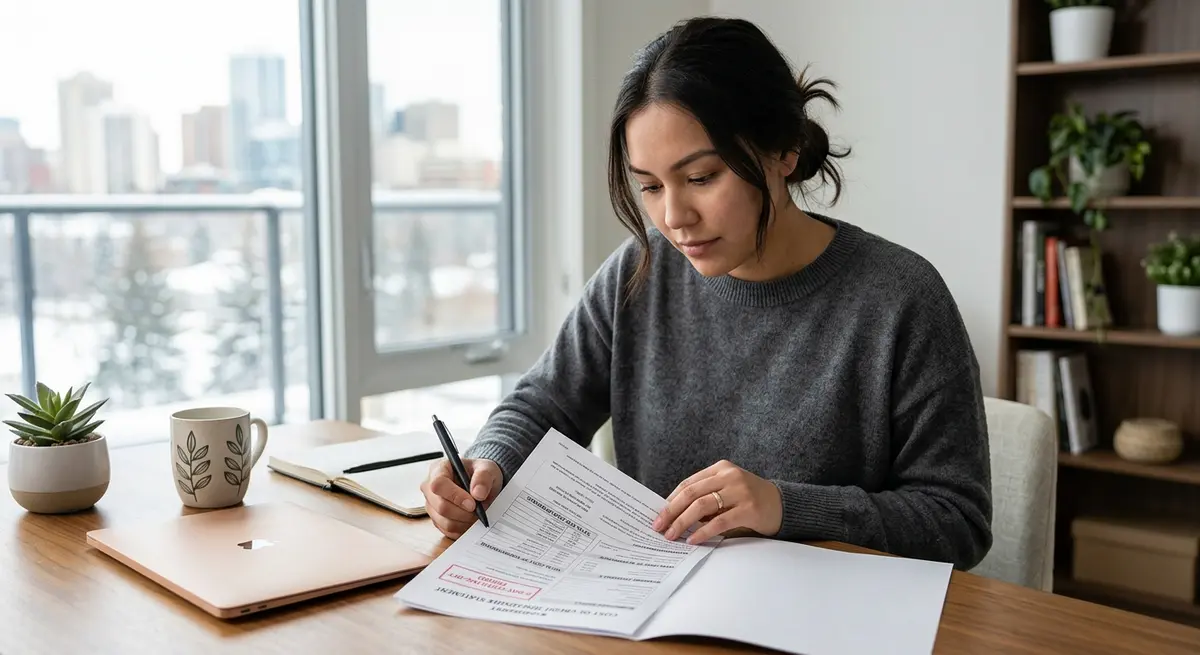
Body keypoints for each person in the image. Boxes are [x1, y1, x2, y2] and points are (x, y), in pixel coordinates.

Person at [419, 16, 993, 570]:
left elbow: (958, 524)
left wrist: (784, 507)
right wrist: (489, 464)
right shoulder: (639, 273)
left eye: (701, 178)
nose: (674, 216)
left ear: (784, 150)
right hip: (650, 611)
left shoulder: (901, 299)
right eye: (649, 186)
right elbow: (544, 404)